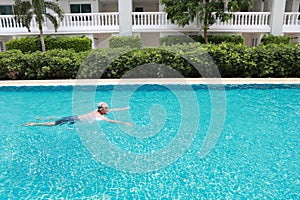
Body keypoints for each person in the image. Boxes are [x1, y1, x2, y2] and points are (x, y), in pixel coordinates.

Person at [24, 102, 132, 126]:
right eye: (106, 108)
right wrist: (124, 122)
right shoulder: (98, 115)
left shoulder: (98, 111)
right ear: (102, 110)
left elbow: (113, 110)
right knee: (54, 124)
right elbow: (110, 121)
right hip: (74, 120)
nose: (108, 109)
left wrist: (124, 109)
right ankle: (34, 123)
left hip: (75, 118)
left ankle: (41, 118)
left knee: (60, 118)